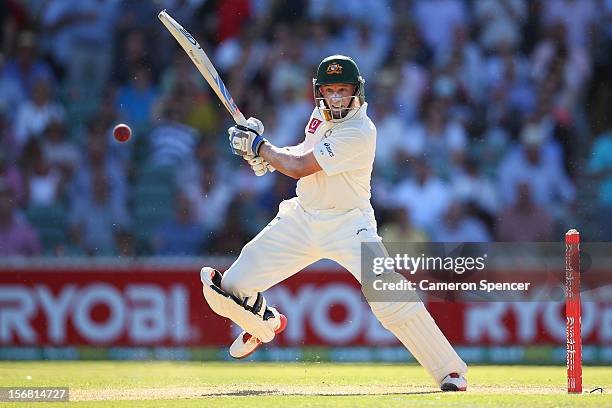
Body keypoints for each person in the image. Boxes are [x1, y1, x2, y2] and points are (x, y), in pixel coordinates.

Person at [200, 55, 468, 391]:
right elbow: (301, 152)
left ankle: (450, 371)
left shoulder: (360, 131)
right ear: (319, 92)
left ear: (357, 92)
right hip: (301, 218)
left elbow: (298, 167)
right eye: (330, 90)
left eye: (344, 90)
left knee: (388, 293)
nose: (337, 97)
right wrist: (267, 157)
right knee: (225, 289)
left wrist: (260, 147)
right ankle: (265, 321)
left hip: (348, 223)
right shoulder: (319, 115)